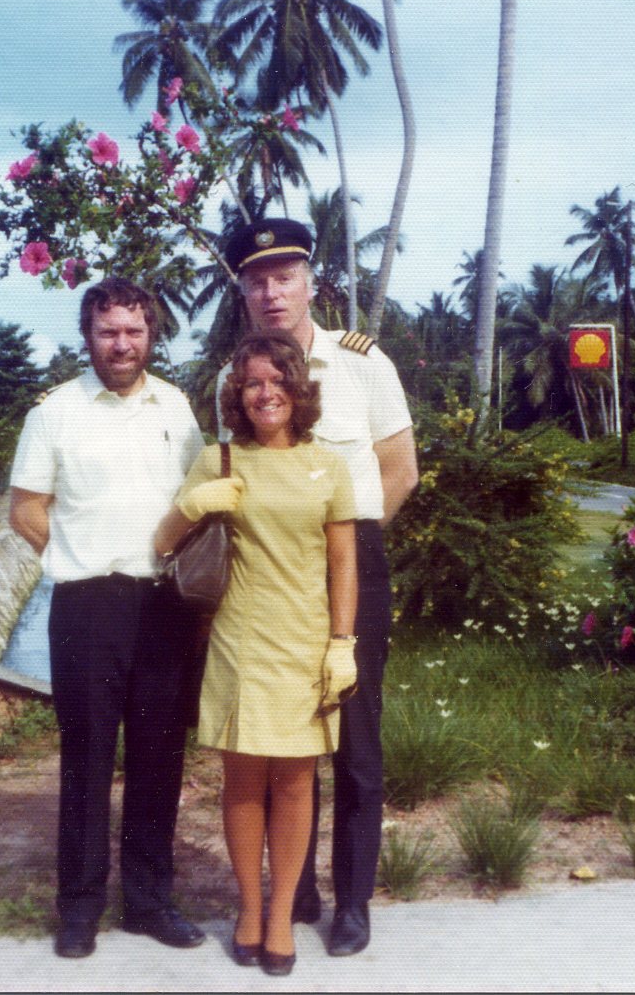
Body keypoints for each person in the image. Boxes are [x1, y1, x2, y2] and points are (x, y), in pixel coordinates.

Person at [216, 219, 419, 957]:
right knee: (280, 739)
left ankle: (352, 901)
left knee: (355, 738)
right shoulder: (235, 376)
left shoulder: (363, 364)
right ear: (243, 293)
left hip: (349, 558)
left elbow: (400, 470)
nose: (272, 293)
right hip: (267, 577)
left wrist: (342, 548)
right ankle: (292, 892)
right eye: (256, 281)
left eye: (284, 277)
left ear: (310, 283)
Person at [9, 276, 207, 959]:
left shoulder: (175, 405)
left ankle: (149, 904)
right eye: (108, 331)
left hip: (164, 603)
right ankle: (79, 909)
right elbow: (25, 508)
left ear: (151, 334)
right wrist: (75, 553)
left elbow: (196, 494)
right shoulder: (55, 413)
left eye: (133, 331)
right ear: (88, 336)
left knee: (159, 757)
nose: (121, 344)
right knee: (87, 759)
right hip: (87, 605)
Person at [156, 329, 358, 976]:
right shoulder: (219, 459)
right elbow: (163, 543)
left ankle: (280, 917)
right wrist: (192, 505)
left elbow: (343, 562)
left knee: (295, 783)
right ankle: (249, 909)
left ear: (298, 388)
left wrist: (343, 644)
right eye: (251, 383)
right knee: (243, 782)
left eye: (276, 381)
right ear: (236, 395)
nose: (265, 393)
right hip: (240, 640)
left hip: (306, 644)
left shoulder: (329, 465)